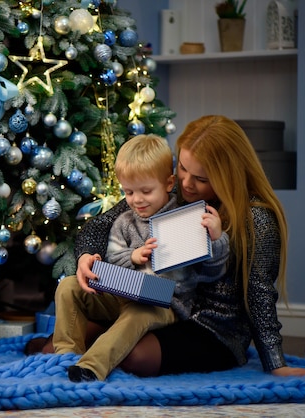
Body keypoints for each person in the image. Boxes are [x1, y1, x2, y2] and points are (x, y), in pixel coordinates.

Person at [29, 115, 305, 379]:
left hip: (213, 329)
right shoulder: (172, 191)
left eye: (201, 178)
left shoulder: (256, 218)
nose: (186, 182)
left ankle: (96, 345)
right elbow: (100, 224)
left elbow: (260, 292)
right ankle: (87, 346)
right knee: (51, 347)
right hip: (156, 303)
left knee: (134, 357)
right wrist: (85, 258)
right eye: (182, 168)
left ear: (228, 176)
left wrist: (275, 362)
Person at [55, 134, 230, 382]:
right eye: (128, 192)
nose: (136, 200)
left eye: (146, 191)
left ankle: (91, 368)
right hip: (123, 293)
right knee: (68, 285)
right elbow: (113, 259)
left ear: (169, 183)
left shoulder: (185, 218)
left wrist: (216, 239)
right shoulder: (124, 221)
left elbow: (212, 272)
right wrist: (133, 256)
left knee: (137, 314)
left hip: (163, 305)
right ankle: (63, 357)